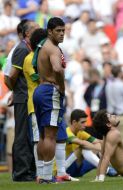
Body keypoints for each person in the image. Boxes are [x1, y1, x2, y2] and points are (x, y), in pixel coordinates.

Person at [33, 17, 70, 183]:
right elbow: (57, 69)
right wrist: (61, 87)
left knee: (42, 136)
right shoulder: (53, 48)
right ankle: (47, 177)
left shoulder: (42, 45)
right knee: (50, 136)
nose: (62, 34)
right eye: (58, 31)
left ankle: (41, 174)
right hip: (50, 91)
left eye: (63, 30)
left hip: (40, 90)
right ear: (49, 31)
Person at [9, 20, 39, 182]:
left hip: (26, 97)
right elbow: (11, 76)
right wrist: (16, 91)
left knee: (28, 135)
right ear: (27, 33)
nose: (38, 29)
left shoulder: (28, 48)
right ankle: (21, 173)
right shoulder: (21, 49)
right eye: (35, 28)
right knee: (22, 135)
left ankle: (29, 170)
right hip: (22, 98)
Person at [23, 28, 47, 178]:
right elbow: (38, 79)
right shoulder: (29, 59)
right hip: (35, 104)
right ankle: (40, 173)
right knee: (38, 140)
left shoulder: (40, 57)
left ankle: (47, 172)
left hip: (45, 103)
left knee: (46, 138)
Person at [65, 109, 117, 177]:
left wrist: (110, 141)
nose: (85, 125)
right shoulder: (67, 133)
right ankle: (107, 170)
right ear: (74, 122)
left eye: (85, 122)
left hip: (77, 168)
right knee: (82, 147)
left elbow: (98, 141)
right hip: (66, 168)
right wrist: (100, 148)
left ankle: (114, 168)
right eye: (82, 122)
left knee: (94, 150)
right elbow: (82, 143)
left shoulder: (81, 133)